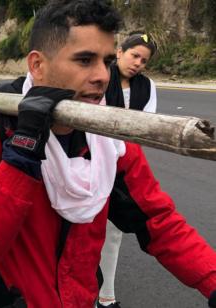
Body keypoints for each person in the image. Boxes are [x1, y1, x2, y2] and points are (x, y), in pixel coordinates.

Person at [0, 0, 216, 307]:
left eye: (107, 61)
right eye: (85, 60)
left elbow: (159, 223)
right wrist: (22, 150)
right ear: (37, 65)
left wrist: (212, 281)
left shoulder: (112, 143)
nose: (102, 75)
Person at [98, 32, 158, 308]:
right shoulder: (99, 76)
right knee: (82, 230)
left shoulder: (147, 87)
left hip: (123, 169)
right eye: (134, 55)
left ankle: (106, 296)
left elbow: (143, 128)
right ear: (120, 51)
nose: (138, 63)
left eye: (144, 61)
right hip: (94, 161)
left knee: (114, 232)